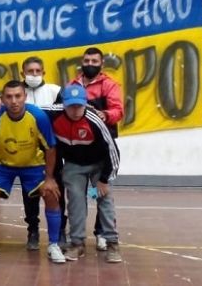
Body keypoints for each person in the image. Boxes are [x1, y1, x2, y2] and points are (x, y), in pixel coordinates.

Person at [0, 81, 65, 263]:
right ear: (2, 99)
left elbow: (51, 148)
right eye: (9, 97)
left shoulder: (38, 116)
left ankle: (53, 245)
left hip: (32, 165)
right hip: (2, 165)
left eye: (18, 96)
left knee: (51, 193)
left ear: (25, 97)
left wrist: (50, 178)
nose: (14, 101)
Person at [43, 85, 121, 263]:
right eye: (71, 106)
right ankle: (77, 243)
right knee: (76, 201)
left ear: (85, 104)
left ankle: (112, 243)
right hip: (74, 165)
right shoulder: (53, 113)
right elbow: (29, 108)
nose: (75, 110)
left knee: (105, 200)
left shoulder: (94, 120)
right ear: (63, 105)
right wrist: (0, 101)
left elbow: (112, 152)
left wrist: (104, 180)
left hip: (100, 165)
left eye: (79, 106)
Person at [66, 47, 124, 254]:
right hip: (77, 157)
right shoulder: (72, 85)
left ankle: (107, 238)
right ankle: (77, 242)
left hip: (100, 154)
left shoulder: (109, 85)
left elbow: (119, 111)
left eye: (94, 60)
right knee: (76, 199)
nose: (90, 63)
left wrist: (104, 115)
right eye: (87, 60)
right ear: (82, 62)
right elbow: (58, 110)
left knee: (101, 195)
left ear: (101, 64)